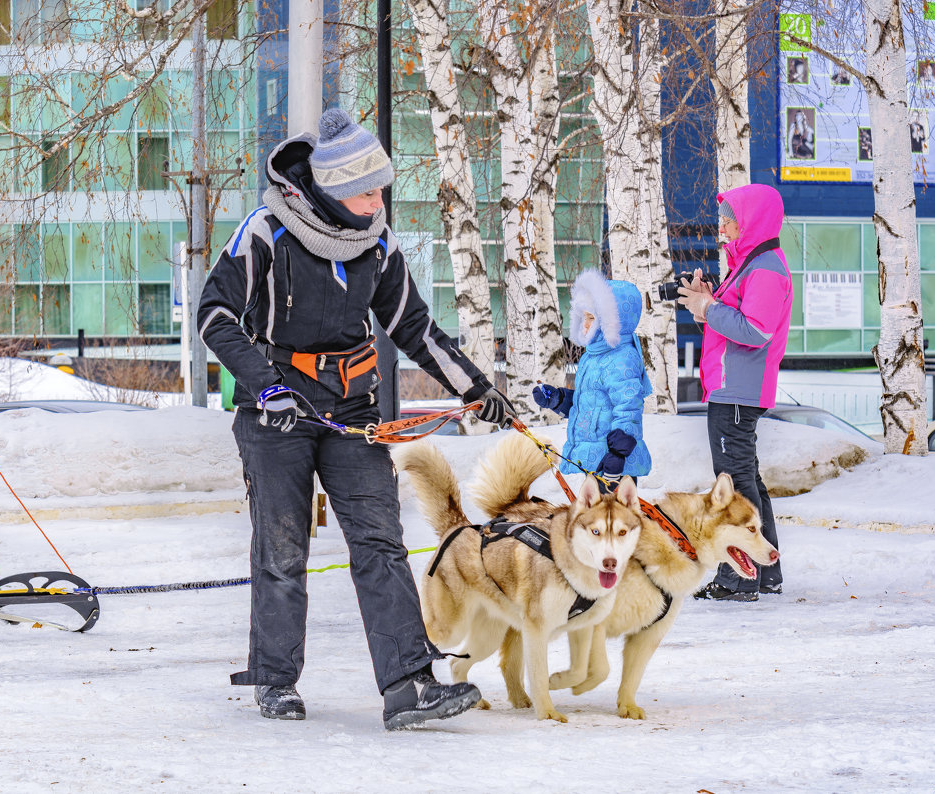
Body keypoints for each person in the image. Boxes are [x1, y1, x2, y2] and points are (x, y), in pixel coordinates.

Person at [196, 109, 514, 729]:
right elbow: (215, 316)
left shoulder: (377, 241)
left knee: (380, 543)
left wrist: (476, 388)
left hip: (354, 411)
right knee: (283, 548)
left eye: (379, 189)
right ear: (332, 191)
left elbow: (413, 327)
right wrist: (265, 389)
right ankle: (277, 681)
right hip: (276, 414)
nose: (379, 200)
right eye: (367, 191)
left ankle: (408, 686)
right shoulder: (266, 231)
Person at [677, 184, 791, 603]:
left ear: (752, 221)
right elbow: (739, 319)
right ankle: (766, 571)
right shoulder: (749, 266)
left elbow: (755, 330)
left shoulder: (764, 269)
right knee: (748, 482)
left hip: (738, 392)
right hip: (734, 388)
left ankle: (740, 579)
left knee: (736, 485)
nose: (722, 225)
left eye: (730, 217)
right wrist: (708, 299)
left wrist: (708, 309)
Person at [531, 268, 652, 492]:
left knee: (611, 524)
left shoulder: (622, 358)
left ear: (611, 320)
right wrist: (557, 399)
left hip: (615, 465)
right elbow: (588, 403)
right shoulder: (592, 357)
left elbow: (629, 410)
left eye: (592, 318)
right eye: (583, 317)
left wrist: (617, 456)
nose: (585, 324)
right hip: (596, 459)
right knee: (593, 522)